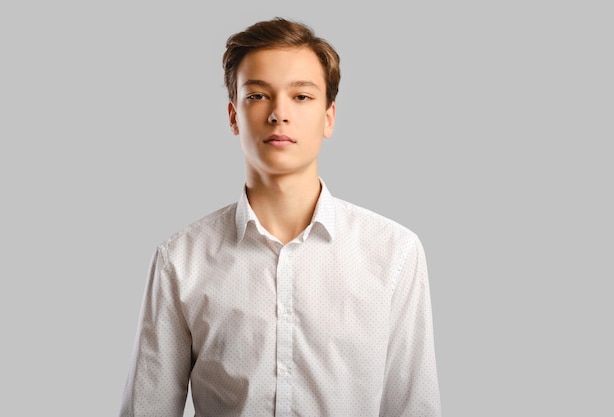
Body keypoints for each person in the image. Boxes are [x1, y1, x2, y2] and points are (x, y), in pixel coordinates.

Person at [119, 17, 441, 417]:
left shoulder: (394, 253)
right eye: (258, 96)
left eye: (301, 97)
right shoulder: (181, 260)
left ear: (329, 116)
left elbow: (414, 407)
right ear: (234, 116)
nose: (279, 114)